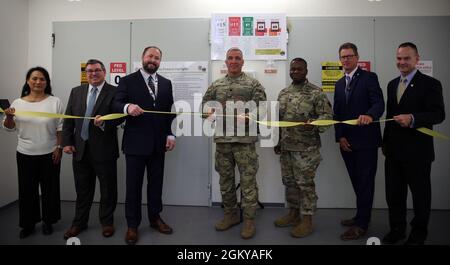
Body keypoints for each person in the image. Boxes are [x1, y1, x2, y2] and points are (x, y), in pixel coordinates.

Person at [382, 42, 445, 245]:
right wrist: (385, 145)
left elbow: (438, 114)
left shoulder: (431, 84)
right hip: (393, 152)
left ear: (417, 59)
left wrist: (413, 118)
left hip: (418, 153)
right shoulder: (392, 84)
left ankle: (418, 233)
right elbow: (390, 117)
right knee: (394, 195)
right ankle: (397, 229)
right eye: (399, 58)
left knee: (420, 197)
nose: (402, 62)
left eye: (407, 58)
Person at [113, 46, 176, 245]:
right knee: (133, 187)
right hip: (135, 144)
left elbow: (168, 112)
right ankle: (133, 225)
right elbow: (115, 103)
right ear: (142, 58)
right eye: (150, 56)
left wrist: (170, 134)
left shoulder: (166, 83)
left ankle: (155, 218)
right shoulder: (127, 81)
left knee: (156, 185)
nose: (153, 60)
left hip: (158, 145)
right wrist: (127, 107)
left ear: (160, 61)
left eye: (157, 58)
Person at [202, 47, 267, 239]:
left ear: (242, 61)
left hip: (244, 142)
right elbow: (204, 107)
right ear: (225, 61)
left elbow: (262, 108)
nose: (233, 61)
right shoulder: (216, 85)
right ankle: (230, 215)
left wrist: (250, 116)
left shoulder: (253, 84)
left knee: (248, 182)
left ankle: (248, 220)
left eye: (237, 58)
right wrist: (208, 112)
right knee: (226, 181)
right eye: (230, 58)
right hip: (223, 142)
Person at [62, 59, 124, 240]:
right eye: (89, 71)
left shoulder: (115, 92)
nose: (93, 74)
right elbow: (68, 119)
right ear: (85, 73)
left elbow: (121, 118)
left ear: (104, 72)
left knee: (108, 189)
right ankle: (79, 223)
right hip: (80, 150)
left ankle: (107, 222)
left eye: (97, 70)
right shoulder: (76, 91)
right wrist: (66, 141)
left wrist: (105, 122)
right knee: (82, 190)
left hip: (105, 150)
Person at [273, 58, 333, 238]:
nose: (295, 72)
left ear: (306, 71)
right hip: (286, 148)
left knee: (305, 185)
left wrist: (315, 124)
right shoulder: (283, 93)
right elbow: (278, 120)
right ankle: (293, 214)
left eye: (299, 69)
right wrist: (277, 142)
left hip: (306, 150)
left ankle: (307, 220)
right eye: (293, 69)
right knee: (289, 183)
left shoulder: (316, 93)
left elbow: (327, 116)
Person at [2, 66, 63, 238]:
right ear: (28, 81)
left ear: (47, 82)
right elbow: (9, 128)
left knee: (50, 189)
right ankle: (28, 224)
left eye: (42, 79)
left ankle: (48, 222)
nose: (38, 82)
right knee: (27, 190)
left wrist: (58, 147)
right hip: (25, 153)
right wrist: (8, 117)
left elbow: (60, 127)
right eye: (34, 78)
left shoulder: (55, 101)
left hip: (50, 153)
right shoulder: (17, 103)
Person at [333, 42, 385, 240]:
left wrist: (370, 115)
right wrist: (340, 137)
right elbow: (337, 113)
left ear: (357, 57)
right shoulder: (339, 84)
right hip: (347, 143)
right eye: (343, 57)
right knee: (357, 182)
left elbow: (379, 103)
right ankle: (360, 215)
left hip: (366, 142)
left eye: (349, 56)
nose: (346, 59)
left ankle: (362, 224)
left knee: (365, 183)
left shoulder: (369, 78)